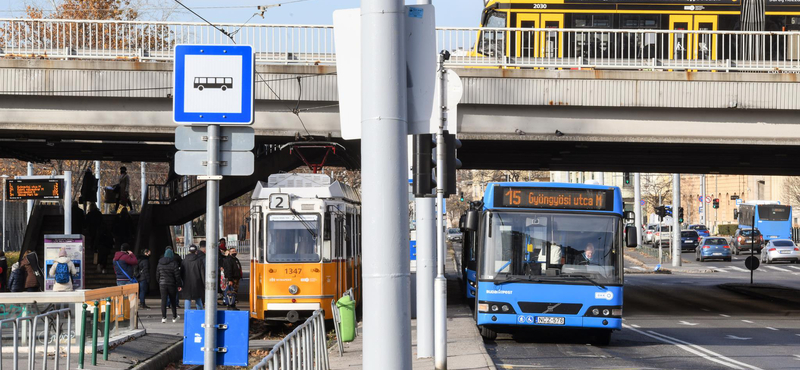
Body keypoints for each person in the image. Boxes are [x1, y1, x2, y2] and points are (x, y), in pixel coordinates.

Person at [156, 248, 182, 323]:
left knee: (163, 301)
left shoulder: (159, 263)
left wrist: (160, 282)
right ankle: (174, 317)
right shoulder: (174, 263)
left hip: (162, 284)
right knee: (173, 301)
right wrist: (179, 284)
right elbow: (177, 275)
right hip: (172, 284)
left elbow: (157, 275)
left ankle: (164, 317)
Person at [181, 245, 205, 310]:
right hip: (197, 282)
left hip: (186, 282)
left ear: (189, 251)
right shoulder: (199, 261)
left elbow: (181, 272)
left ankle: (187, 313)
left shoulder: (184, 260)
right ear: (196, 251)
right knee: (198, 298)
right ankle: (200, 313)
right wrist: (204, 284)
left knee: (187, 298)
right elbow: (202, 273)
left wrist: (181, 283)